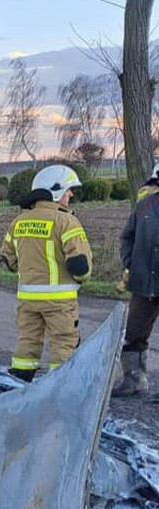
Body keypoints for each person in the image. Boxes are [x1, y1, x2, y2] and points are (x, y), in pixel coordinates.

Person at [0, 165, 91, 382]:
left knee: (27, 342)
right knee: (64, 343)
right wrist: (81, 281)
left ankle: (19, 383)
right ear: (56, 190)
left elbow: (8, 259)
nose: (71, 194)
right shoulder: (66, 221)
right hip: (59, 301)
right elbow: (81, 266)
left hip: (28, 300)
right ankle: (62, 387)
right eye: (68, 189)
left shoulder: (19, 221)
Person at [112, 161, 159, 397]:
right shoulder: (144, 206)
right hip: (144, 282)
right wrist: (131, 263)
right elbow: (126, 237)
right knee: (134, 333)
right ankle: (134, 380)